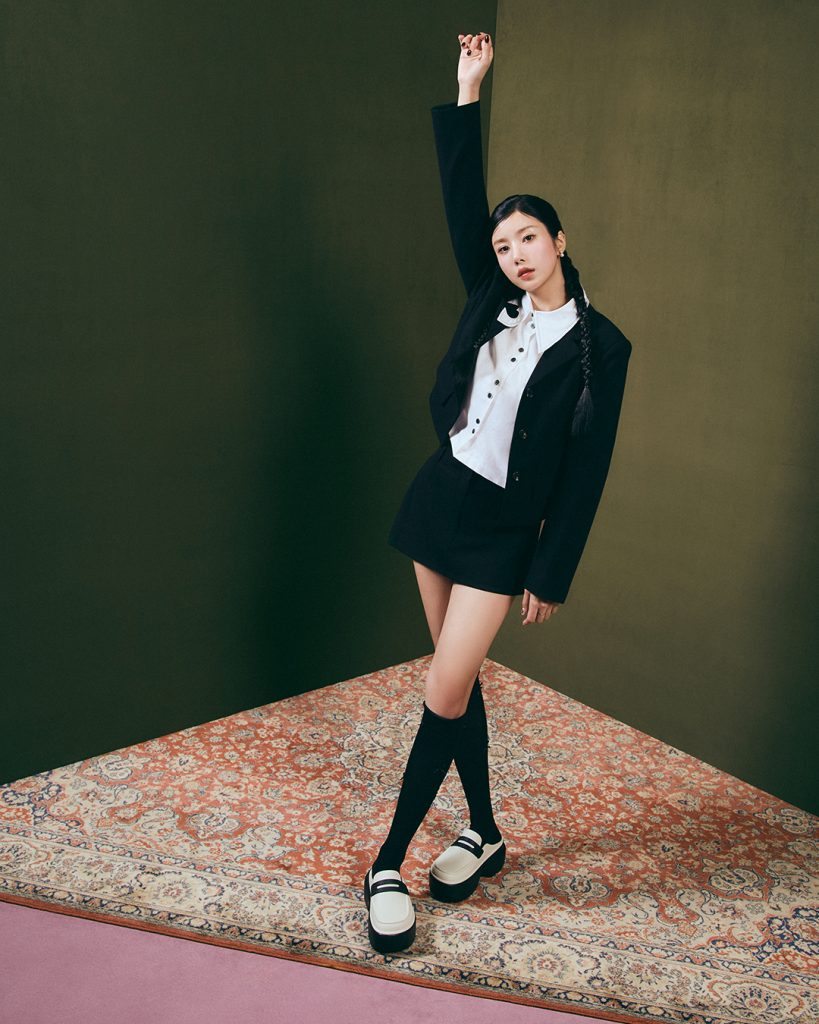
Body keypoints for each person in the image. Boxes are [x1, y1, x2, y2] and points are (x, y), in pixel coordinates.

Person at [363, 31, 633, 955]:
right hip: (439, 499)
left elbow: (588, 471)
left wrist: (549, 572)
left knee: (442, 686)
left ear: (559, 241)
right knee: (457, 678)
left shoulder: (604, 348)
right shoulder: (489, 294)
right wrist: (467, 92)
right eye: (502, 242)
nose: (514, 252)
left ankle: (386, 863)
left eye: (527, 238)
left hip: (502, 536)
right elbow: (456, 194)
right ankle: (483, 830)